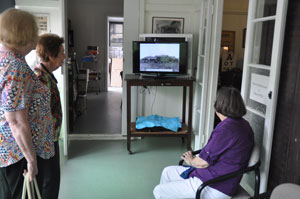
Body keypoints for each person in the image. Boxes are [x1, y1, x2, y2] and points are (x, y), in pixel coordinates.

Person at [153, 87, 254, 199]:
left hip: (215, 185)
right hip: (219, 176)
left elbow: (202, 163)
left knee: (159, 191)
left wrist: (190, 160)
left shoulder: (226, 129)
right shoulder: (244, 124)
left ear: (219, 105)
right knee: (167, 172)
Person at [0, 8, 54, 199]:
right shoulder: (15, 68)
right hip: (19, 154)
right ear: (23, 35)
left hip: (10, 151)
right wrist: (31, 161)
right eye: (33, 33)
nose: (35, 39)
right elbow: (15, 121)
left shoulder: (5, 59)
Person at [34, 33, 66, 199]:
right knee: (49, 183)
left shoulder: (46, 76)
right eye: (61, 53)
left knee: (52, 181)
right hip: (44, 143)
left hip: (51, 139)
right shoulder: (40, 79)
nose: (64, 56)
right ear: (51, 55)